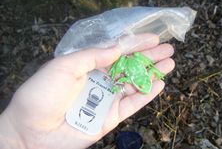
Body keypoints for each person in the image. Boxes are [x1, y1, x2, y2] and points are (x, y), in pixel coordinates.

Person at [0, 34, 175, 149]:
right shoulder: (133, 80)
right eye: (143, 86)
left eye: (144, 86)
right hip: (132, 67)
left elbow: (147, 71)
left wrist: (152, 73)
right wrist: (117, 83)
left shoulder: (141, 78)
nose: (144, 88)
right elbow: (125, 78)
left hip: (137, 68)